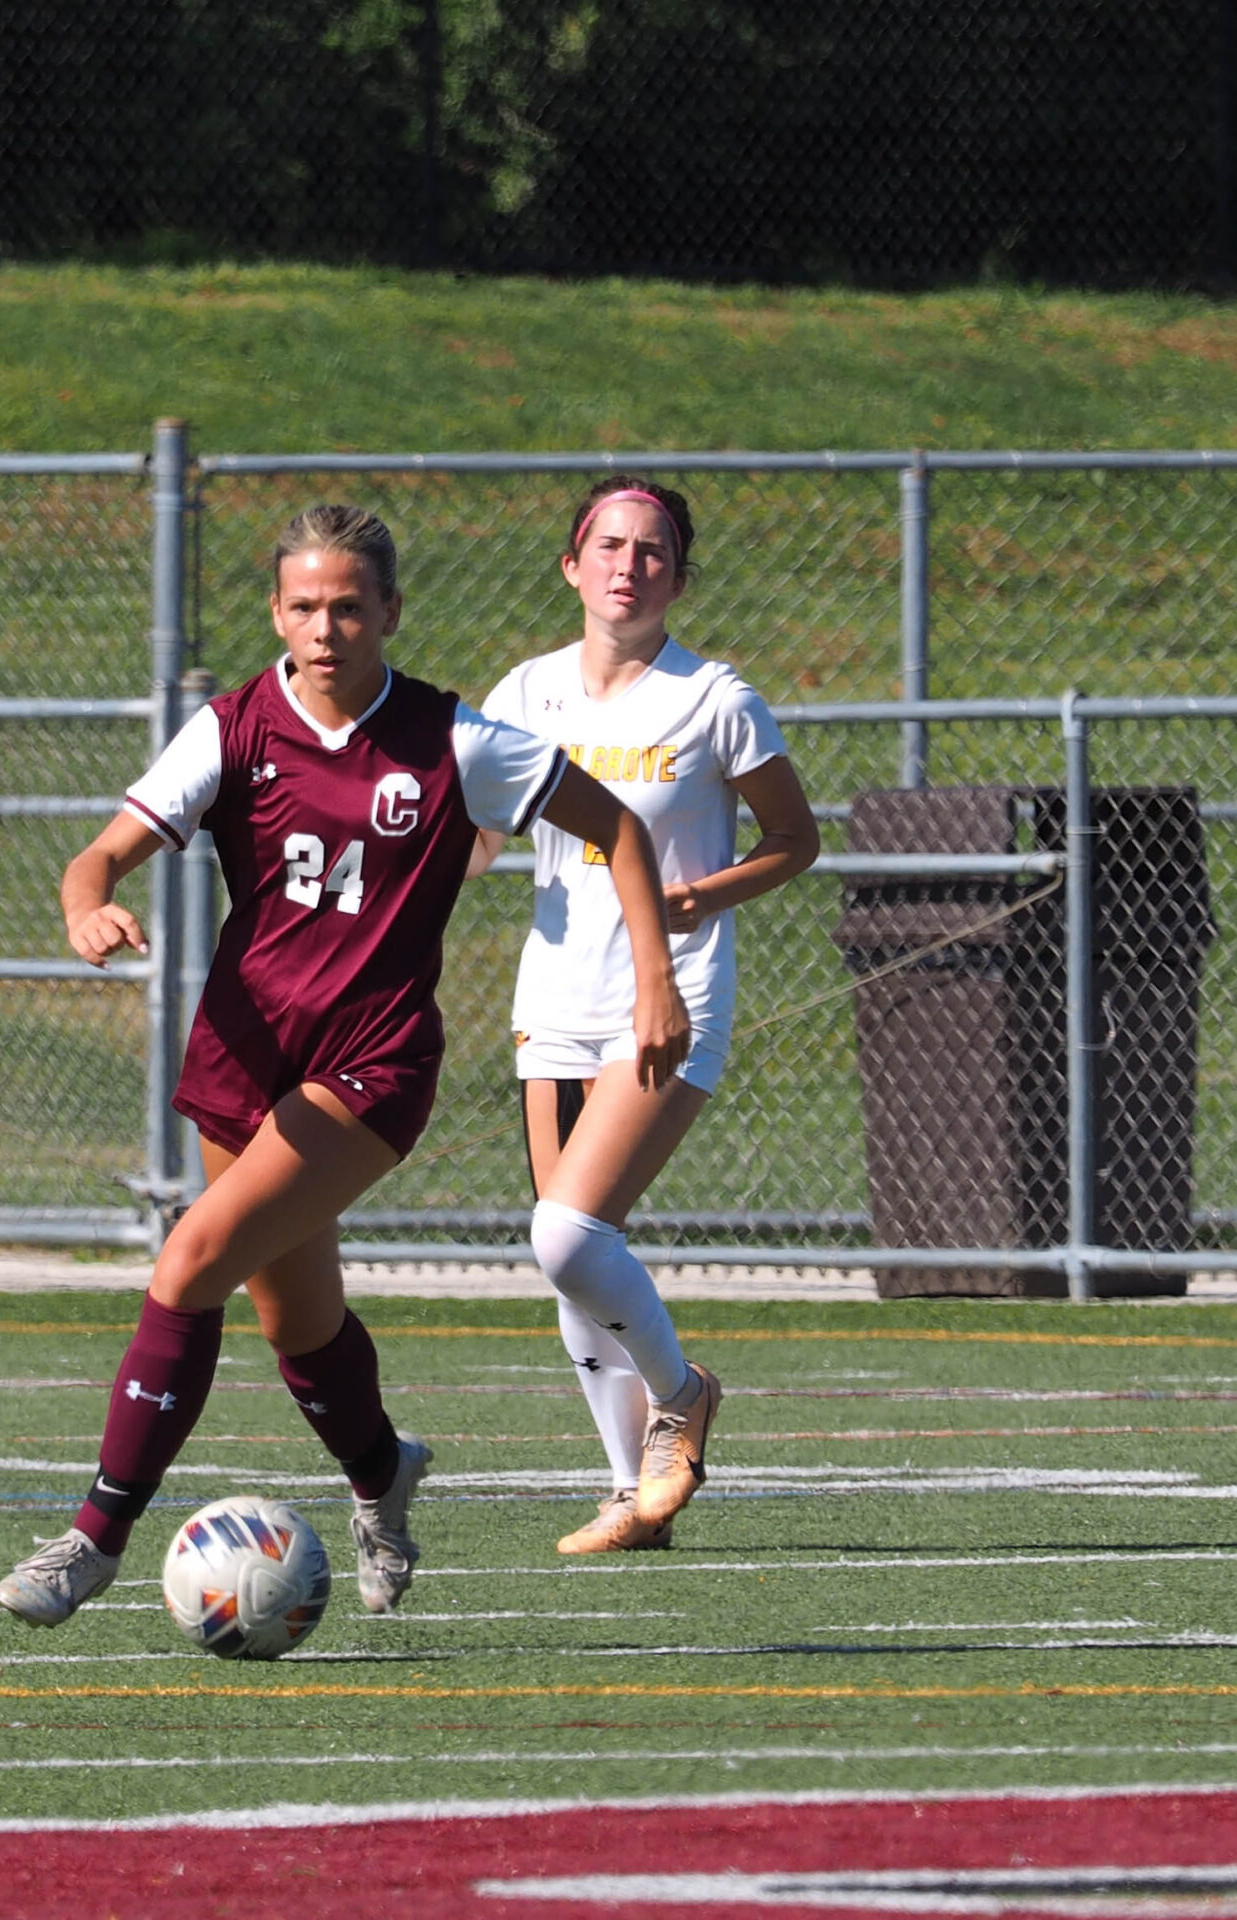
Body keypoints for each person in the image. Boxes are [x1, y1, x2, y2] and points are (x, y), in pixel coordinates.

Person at [0, 503, 689, 1627]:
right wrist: (90, 906)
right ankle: (381, 1475)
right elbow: (101, 855)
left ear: (390, 614)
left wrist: (656, 978)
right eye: (306, 607)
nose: (327, 629)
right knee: (295, 1322)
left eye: (350, 607)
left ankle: (94, 1536)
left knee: (189, 1261)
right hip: (243, 1052)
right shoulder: (230, 729)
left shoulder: (450, 739)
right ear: (277, 612)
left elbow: (618, 827)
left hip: (371, 1063)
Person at [469, 476, 818, 1554]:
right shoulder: (524, 694)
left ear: (678, 574)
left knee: (569, 1231)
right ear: (572, 565)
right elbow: (472, 834)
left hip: (670, 995)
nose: (629, 565)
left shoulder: (715, 699)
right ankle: (631, 1492)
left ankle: (682, 1393)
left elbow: (793, 843)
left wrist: (697, 897)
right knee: (567, 1247)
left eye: (653, 550)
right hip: (556, 995)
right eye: (609, 546)